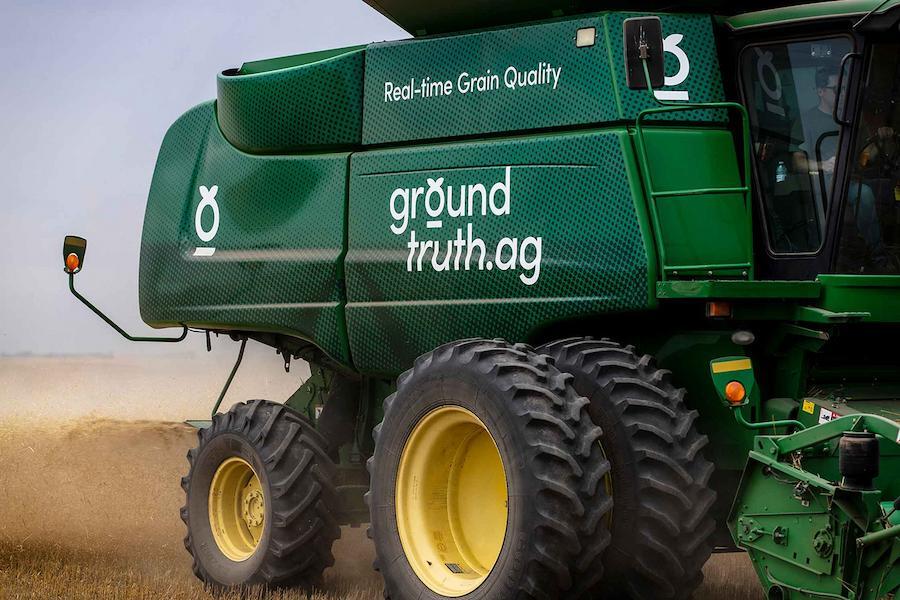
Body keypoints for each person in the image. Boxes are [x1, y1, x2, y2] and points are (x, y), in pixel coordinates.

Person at [790, 66, 886, 262]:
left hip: (848, 183)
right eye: (837, 89)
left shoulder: (853, 120)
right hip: (819, 187)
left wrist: (880, 142)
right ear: (821, 91)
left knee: (867, 193)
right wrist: (823, 165)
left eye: (845, 90)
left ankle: (877, 256)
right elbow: (797, 163)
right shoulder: (805, 120)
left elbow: (866, 154)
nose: (843, 94)